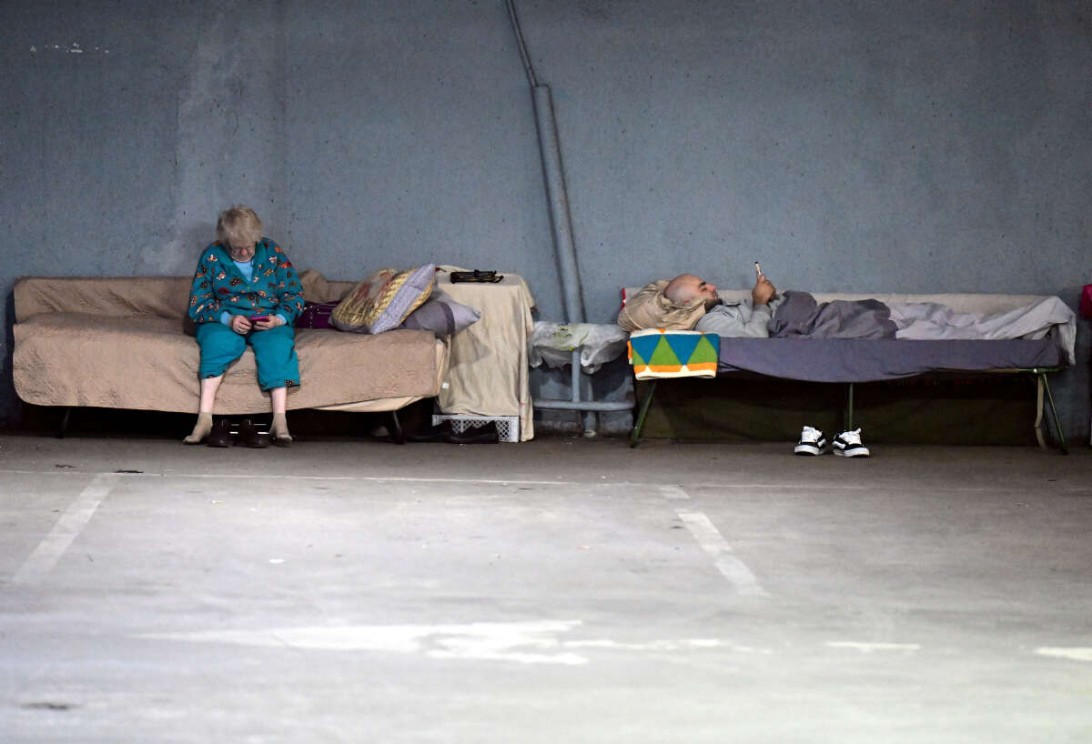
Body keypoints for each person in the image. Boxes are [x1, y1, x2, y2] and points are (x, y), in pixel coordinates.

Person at [183, 205, 305, 447]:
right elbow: (199, 302)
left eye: (249, 246)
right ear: (225, 242)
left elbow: (294, 295)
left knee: (279, 347)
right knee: (216, 343)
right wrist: (227, 319)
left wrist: (279, 319)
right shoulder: (212, 256)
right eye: (236, 248)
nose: (244, 252)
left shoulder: (272, 252)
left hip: (268, 318)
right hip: (224, 317)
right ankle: (204, 419)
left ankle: (280, 420)